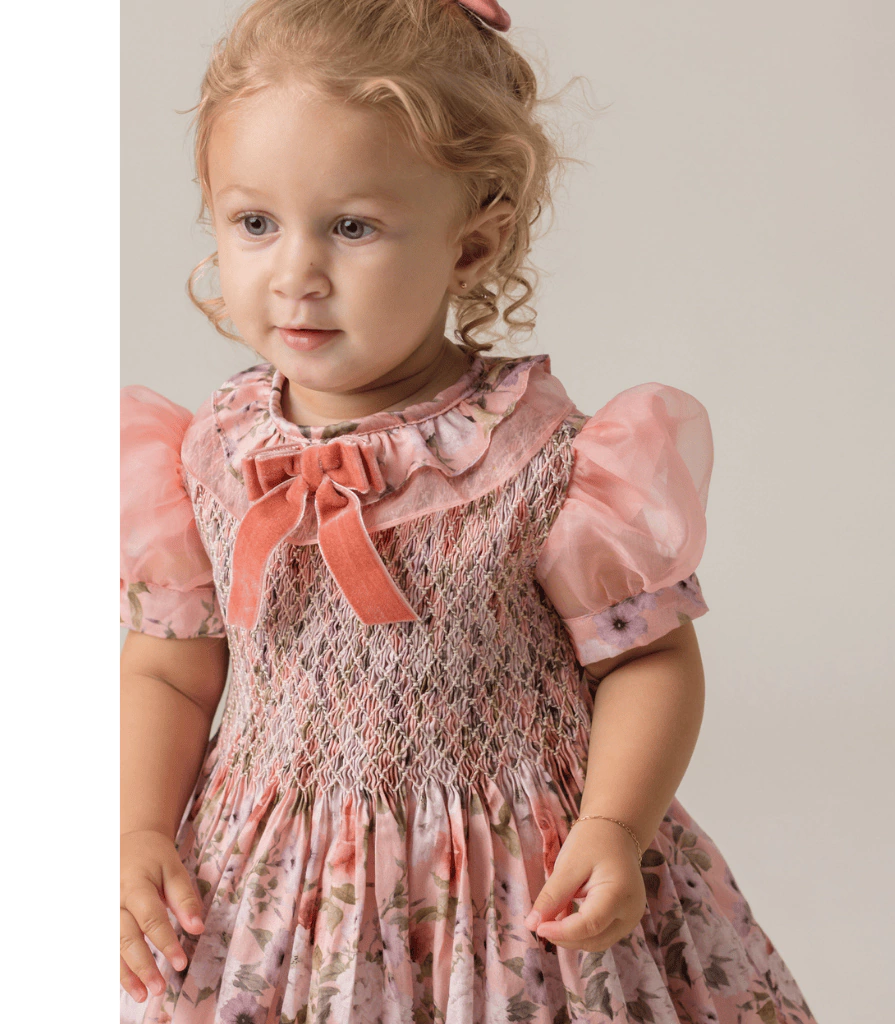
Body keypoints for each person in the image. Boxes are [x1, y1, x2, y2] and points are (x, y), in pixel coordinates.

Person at [120, 1, 819, 1021]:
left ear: (471, 244)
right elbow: (170, 668)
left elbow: (646, 659)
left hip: (514, 890)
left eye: (352, 227)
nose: (296, 274)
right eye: (255, 223)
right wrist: (140, 826)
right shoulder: (204, 458)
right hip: (277, 894)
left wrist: (615, 827)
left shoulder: (543, 460)